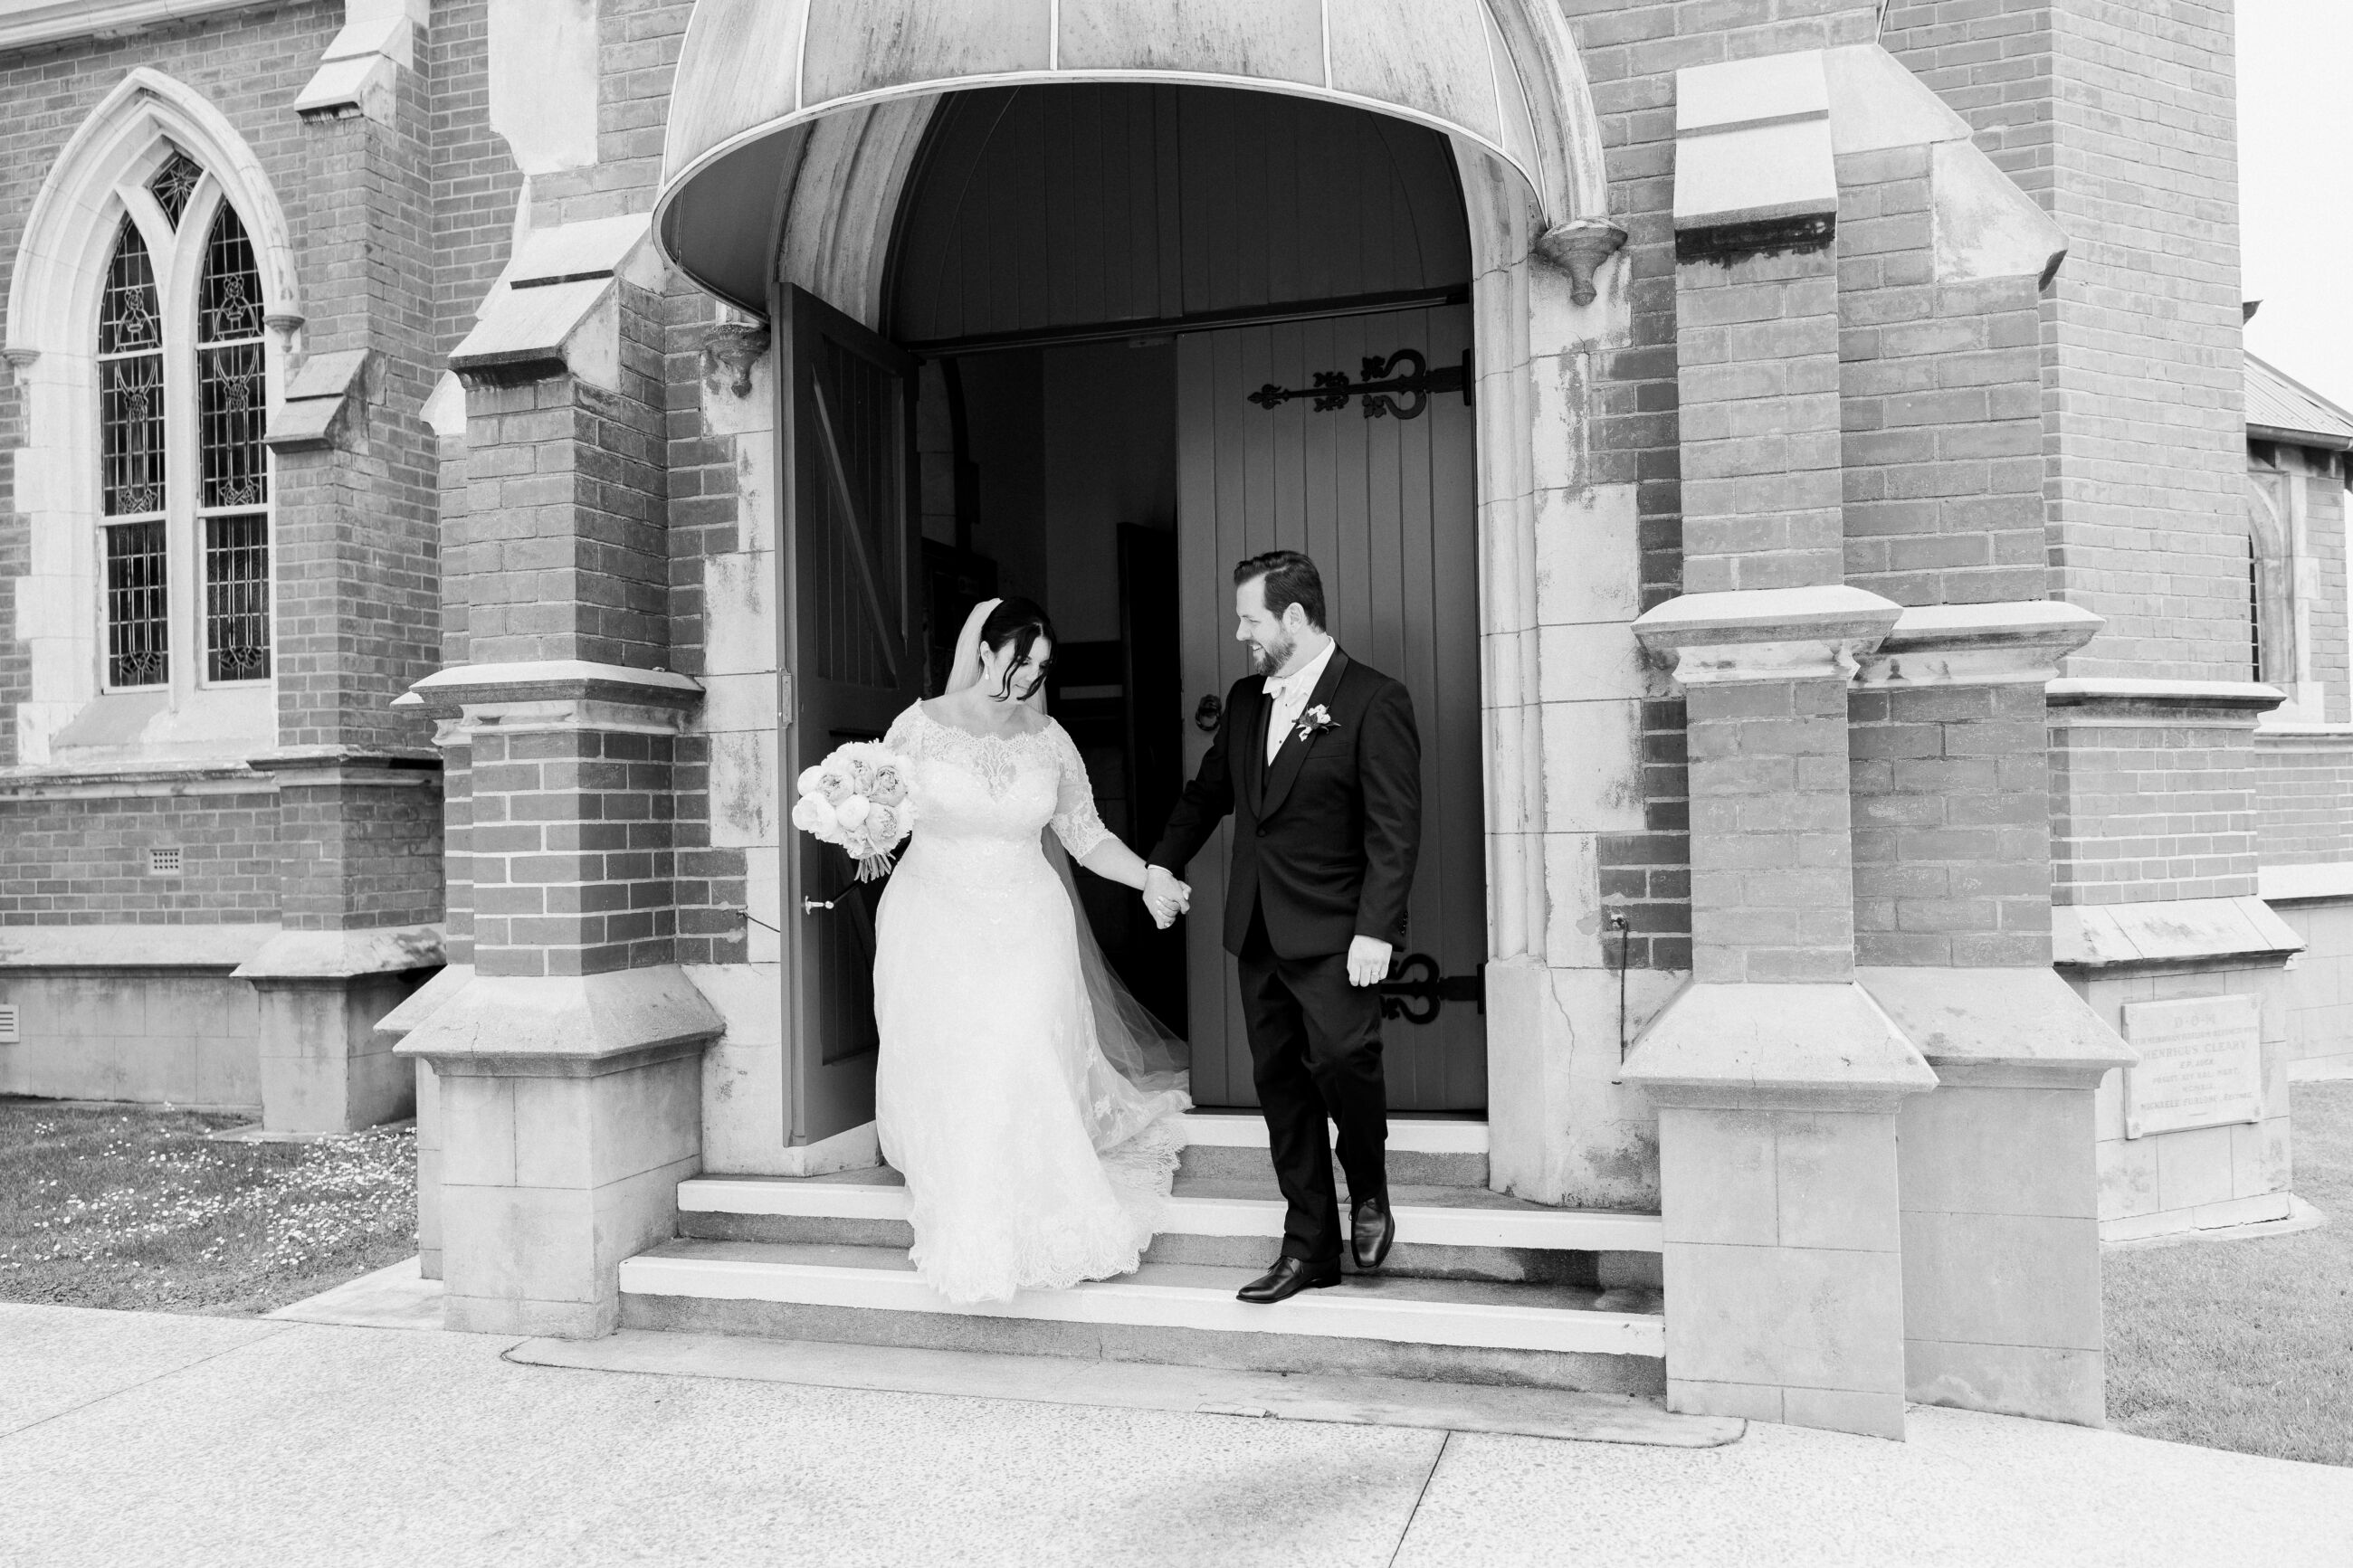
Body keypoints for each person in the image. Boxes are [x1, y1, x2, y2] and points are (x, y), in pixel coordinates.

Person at [872, 596, 1192, 1304]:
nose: (1026, 679)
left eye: (1040, 667)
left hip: (1027, 917)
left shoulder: (1051, 739)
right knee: (964, 1060)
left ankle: (1046, 1207)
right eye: (1018, 661)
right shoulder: (917, 728)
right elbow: (880, 809)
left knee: (1022, 1046)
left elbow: (1084, 834)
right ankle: (974, 1210)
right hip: (936, 916)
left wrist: (1146, 876)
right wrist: (856, 821)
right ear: (984, 651)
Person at [1144, 550, 1423, 1305]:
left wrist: (1378, 929)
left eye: (1250, 618)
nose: (1240, 633)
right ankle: (1309, 1248)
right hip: (1258, 933)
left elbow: (1394, 830)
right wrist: (1160, 865)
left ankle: (1367, 1181)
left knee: (1343, 1061)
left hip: (1338, 932)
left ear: (1294, 619)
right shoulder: (1244, 701)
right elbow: (1208, 795)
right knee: (1282, 1091)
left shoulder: (1371, 700)